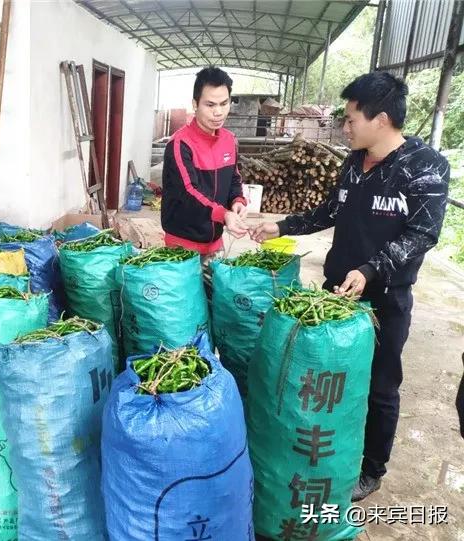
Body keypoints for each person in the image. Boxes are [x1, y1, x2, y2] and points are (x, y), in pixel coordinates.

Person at [251, 71, 450, 501]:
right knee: (329, 377)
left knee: (381, 385)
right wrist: (281, 224)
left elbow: (422, 234)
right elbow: (329, 212)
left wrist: (372, 269)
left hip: (384, 298)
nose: (345, 127)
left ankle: (371, 469)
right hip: (337, 291)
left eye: (351, 119)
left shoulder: (426, 166)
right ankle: (327, 450)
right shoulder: (352, 164)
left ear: (380, 119)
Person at [160, 66, 249, 273]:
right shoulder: (180, 144)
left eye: (224, 103)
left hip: (215, 244)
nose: (218, 112)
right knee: (185, 304)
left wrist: (237, 201)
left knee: (213, 301)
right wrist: (222, 214)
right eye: (210, 104)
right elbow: (188, 192)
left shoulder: (229, 140)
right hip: (182, 247)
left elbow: (234, 179)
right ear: (195, 104)